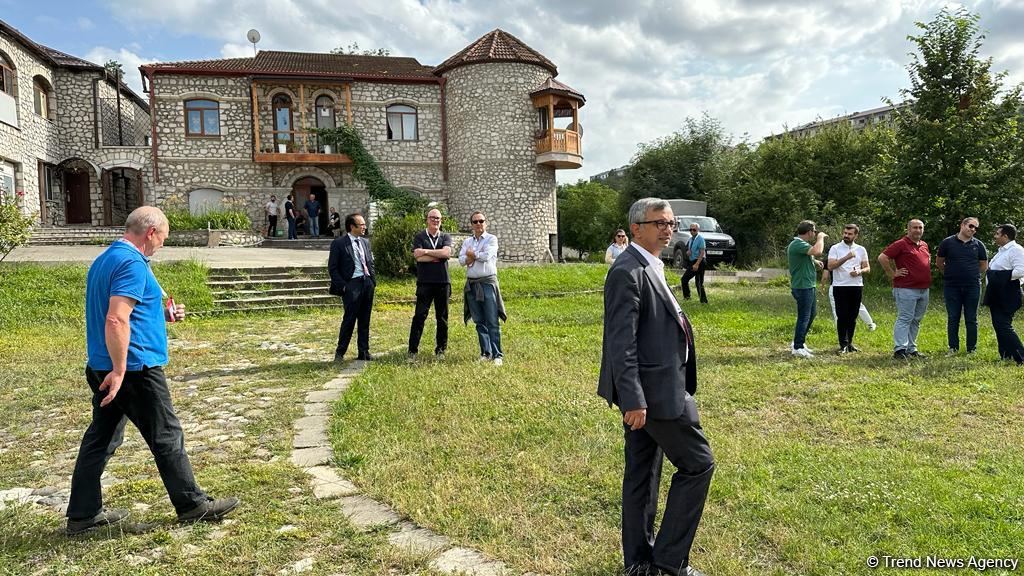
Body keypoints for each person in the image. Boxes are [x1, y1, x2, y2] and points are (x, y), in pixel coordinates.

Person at [66, 206, 238, 535]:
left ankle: (83, 514)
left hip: (102, 364)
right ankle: (191, 505)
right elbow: (116, 318)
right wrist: (120, 370)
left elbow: (124, 310)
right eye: (163, 238)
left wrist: (164, 316)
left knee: (102, 438)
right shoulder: (131, 263)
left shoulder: (106, 259)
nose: (162, 245)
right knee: (166, 434)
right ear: (151, 233)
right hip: (133, 368)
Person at [597, 198, 713, 576]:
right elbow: (621, 344)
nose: (668, 229)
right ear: (636, 228)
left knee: (643, 475)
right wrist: (634, 399)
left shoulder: (651, 264)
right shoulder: (626, 270)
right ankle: (670, 561)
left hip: (658, 387)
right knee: (698, 464)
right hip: (655, 393)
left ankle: (639, 563)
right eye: (659, 223)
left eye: (671, 223)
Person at [878, 219, 931, 360]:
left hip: (923, 289)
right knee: (905, 318)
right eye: (915, 227)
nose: (918, 230)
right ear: (908, 229)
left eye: (920, 228)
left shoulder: (924, 245)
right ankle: (900, 349)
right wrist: (892, 273)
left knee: (916, 320)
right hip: (906, 288)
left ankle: (911, 349)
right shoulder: (901, 244)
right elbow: (883, 257)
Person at [936, 217, 988, 355]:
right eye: (971, 226)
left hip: (973, 286)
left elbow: (984, 265)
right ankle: (953, 348)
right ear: (962, 225)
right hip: (952, 286)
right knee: (953, 317)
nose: (973, 229)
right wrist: (949, 274)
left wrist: (972, 274)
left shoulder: (979, 245)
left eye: (976, 228)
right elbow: (939, 262)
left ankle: (972, 349)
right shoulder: (947, 242)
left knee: (971, 318)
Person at [459, 211, 505, 365]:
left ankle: (497, 355)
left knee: (492, 319)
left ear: (486, 223)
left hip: (487, 283)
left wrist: (471, 254)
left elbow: (487, 257)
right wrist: (474, 255)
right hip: (472, 284)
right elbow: (461, 260)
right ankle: (486, 352)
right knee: (479, 320)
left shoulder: (492, 239)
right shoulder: (467, 241)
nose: (478, 224)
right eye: (475, 222)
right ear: (471, 225)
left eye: (481, 221)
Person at [408, 208, 454, 361]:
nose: (435, 220)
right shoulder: (420, 236)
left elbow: (446, 253)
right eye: (433, 218)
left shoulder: (445, 236)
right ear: (427, 219)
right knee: (419, 316)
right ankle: (412, 351)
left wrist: (426, 252)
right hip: (425, 283)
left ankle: (441, 350)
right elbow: (418, 257)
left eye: (438, 218)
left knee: (442, 317)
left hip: (442, 282)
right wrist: (438, 255)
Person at [329, 213, 376, 362]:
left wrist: (372, 280)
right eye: (361, 225)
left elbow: (370, 262)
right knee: (349, 320)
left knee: (365, 319)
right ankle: (340, 353)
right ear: (352, 227)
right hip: (352, 285)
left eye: (364, 224)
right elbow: (333, 268)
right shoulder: (339, 243)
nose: (364, 227)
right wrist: (344, 286)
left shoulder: (365, 242)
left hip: (366, 283)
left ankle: (364, 352)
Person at [983, 224, 1024, 364]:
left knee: (1003, 325)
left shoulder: (1016, 250)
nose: (995, 236)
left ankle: (1021, 356)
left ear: (1005, 236)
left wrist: (998, 277)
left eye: (997, 234)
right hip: (996, 292)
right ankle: (1006, 355)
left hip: (1008, 292)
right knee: (998, 324)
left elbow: (1021, 271)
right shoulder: (1001, 251)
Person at [827, 224, 871, 353]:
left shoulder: (861, 249)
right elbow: (830, 266)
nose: (846, 235)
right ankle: (843, 344)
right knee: (842, 316)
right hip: (840, 286)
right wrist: (846, 257)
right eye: (845, 233)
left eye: (850, 234)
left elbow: (867, 268)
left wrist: (859, 271)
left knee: (852, 316)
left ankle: (850, 343)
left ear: (856, 235)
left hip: (856, 286)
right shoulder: (835, 248)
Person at [787, 220, 826, 358]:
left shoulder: (800, 245)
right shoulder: (798, 243)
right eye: (814, 231)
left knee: (811, 313)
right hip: (803, 286)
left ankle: (799, 342)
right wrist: (821, 238)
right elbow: (818, 251)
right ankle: (797, 347)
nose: (815, 233)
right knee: (804, 316)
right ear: (809, 232)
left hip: (808, 285)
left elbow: (804, 256)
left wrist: (814, 261)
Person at [680, 222, 708, 304]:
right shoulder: (690, 239)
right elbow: (689, 250)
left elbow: (702, 253)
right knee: (687, 280)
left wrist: (697, 264)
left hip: (699, 262)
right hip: (692, 261)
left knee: (697, 281)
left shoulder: (700, 239)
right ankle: (688, 298)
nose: (692, 231)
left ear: (698, 230)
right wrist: (688, 252)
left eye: (694, 230)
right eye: (690, 229)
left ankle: (703, 301)